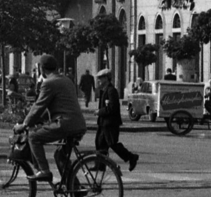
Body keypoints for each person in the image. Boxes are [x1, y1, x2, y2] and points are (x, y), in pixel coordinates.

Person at [22, 53, 87, 182]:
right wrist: (41, 119)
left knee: (33, 136)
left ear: (41, 68)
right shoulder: (67, 80)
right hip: (78, 123)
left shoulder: (49, 83)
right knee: (60, 155)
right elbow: (60, 104)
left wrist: (25, 124)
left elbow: (39, 106)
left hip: (65, 123)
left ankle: (44, 171)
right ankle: (75, 188)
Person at [92, 68, 138, 172]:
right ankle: (100, 165)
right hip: (104, 123)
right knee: (99, 143)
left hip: (110, 123)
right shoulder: (105, 90)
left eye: (100, 78)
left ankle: (131, 157)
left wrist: (100, 111)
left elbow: (112, 108)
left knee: (112, 143)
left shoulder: (111, 90)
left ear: (106, 79)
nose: (98, 80)